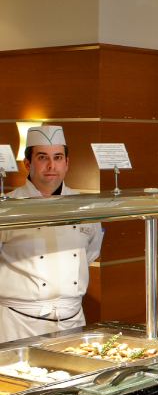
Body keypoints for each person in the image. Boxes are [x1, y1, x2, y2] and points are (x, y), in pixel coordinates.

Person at [0, 126, 103, 343]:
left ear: (67, 163)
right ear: (27, 164)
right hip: (18, 322)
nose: (51, 165)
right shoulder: (7, 208)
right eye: (42, 157)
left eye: (57, 157)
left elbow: (91, 252)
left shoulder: (85, 207)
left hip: (72, 318)